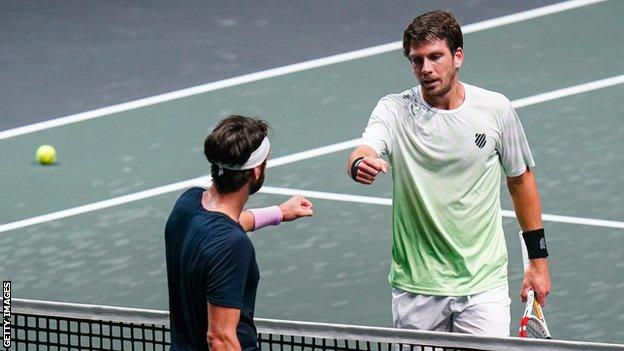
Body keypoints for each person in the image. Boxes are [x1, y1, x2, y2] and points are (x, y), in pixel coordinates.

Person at [346, 10, 551, 336]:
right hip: (417, 288)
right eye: (416, 60)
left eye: (435, 57)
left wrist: (537, 263)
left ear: (458, 56)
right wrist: (360, 163)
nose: (425, 69)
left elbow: (520, 179)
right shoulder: (394, 110)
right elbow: (365, 149)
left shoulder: (496, 110)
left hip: (483, 287)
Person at [165, 115, 314, 350]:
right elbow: (220, 338)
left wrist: (278, 212)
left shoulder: (187, 204)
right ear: (256, 172)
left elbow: (222, 228)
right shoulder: (231, 245)